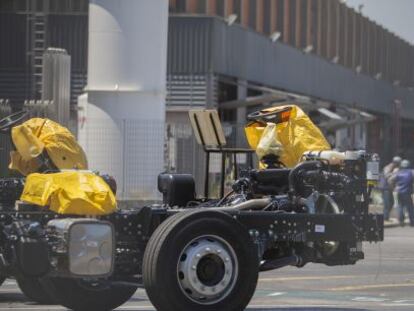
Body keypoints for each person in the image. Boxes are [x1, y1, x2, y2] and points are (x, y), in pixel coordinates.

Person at [390, 159, 414, 227]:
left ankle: (401, 221)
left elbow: (390, 179)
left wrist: (393, 187)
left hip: (399, 191)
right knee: (410, 207)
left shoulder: (398, 172)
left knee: (400, 206)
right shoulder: (411, 172)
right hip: (407, 192)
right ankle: (412, 222)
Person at [379, 156, 401, 220]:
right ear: (396, 162)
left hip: (389, 188)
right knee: (387, 203)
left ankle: (386, 216)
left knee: (391, 203)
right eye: (398, 163)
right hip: (385, 187)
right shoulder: (389, 167)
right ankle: (385, 217)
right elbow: (386, 176)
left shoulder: (394, 168)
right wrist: (394, 173)